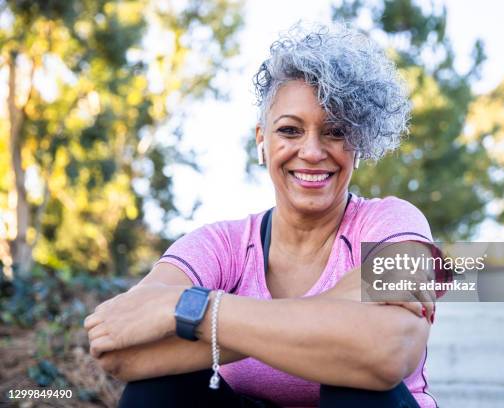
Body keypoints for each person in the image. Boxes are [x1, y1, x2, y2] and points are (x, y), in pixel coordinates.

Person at [84, 22, 446, 408]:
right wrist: (335, 308)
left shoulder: (392, 224)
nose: (311, 151)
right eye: (290, 130)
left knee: (355, 383)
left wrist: (196, 310)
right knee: (156, 392)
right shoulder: (222, 245)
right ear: (263, 140)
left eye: (335, 132)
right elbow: (117, 351)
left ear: (358, 142)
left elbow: (387, 352)